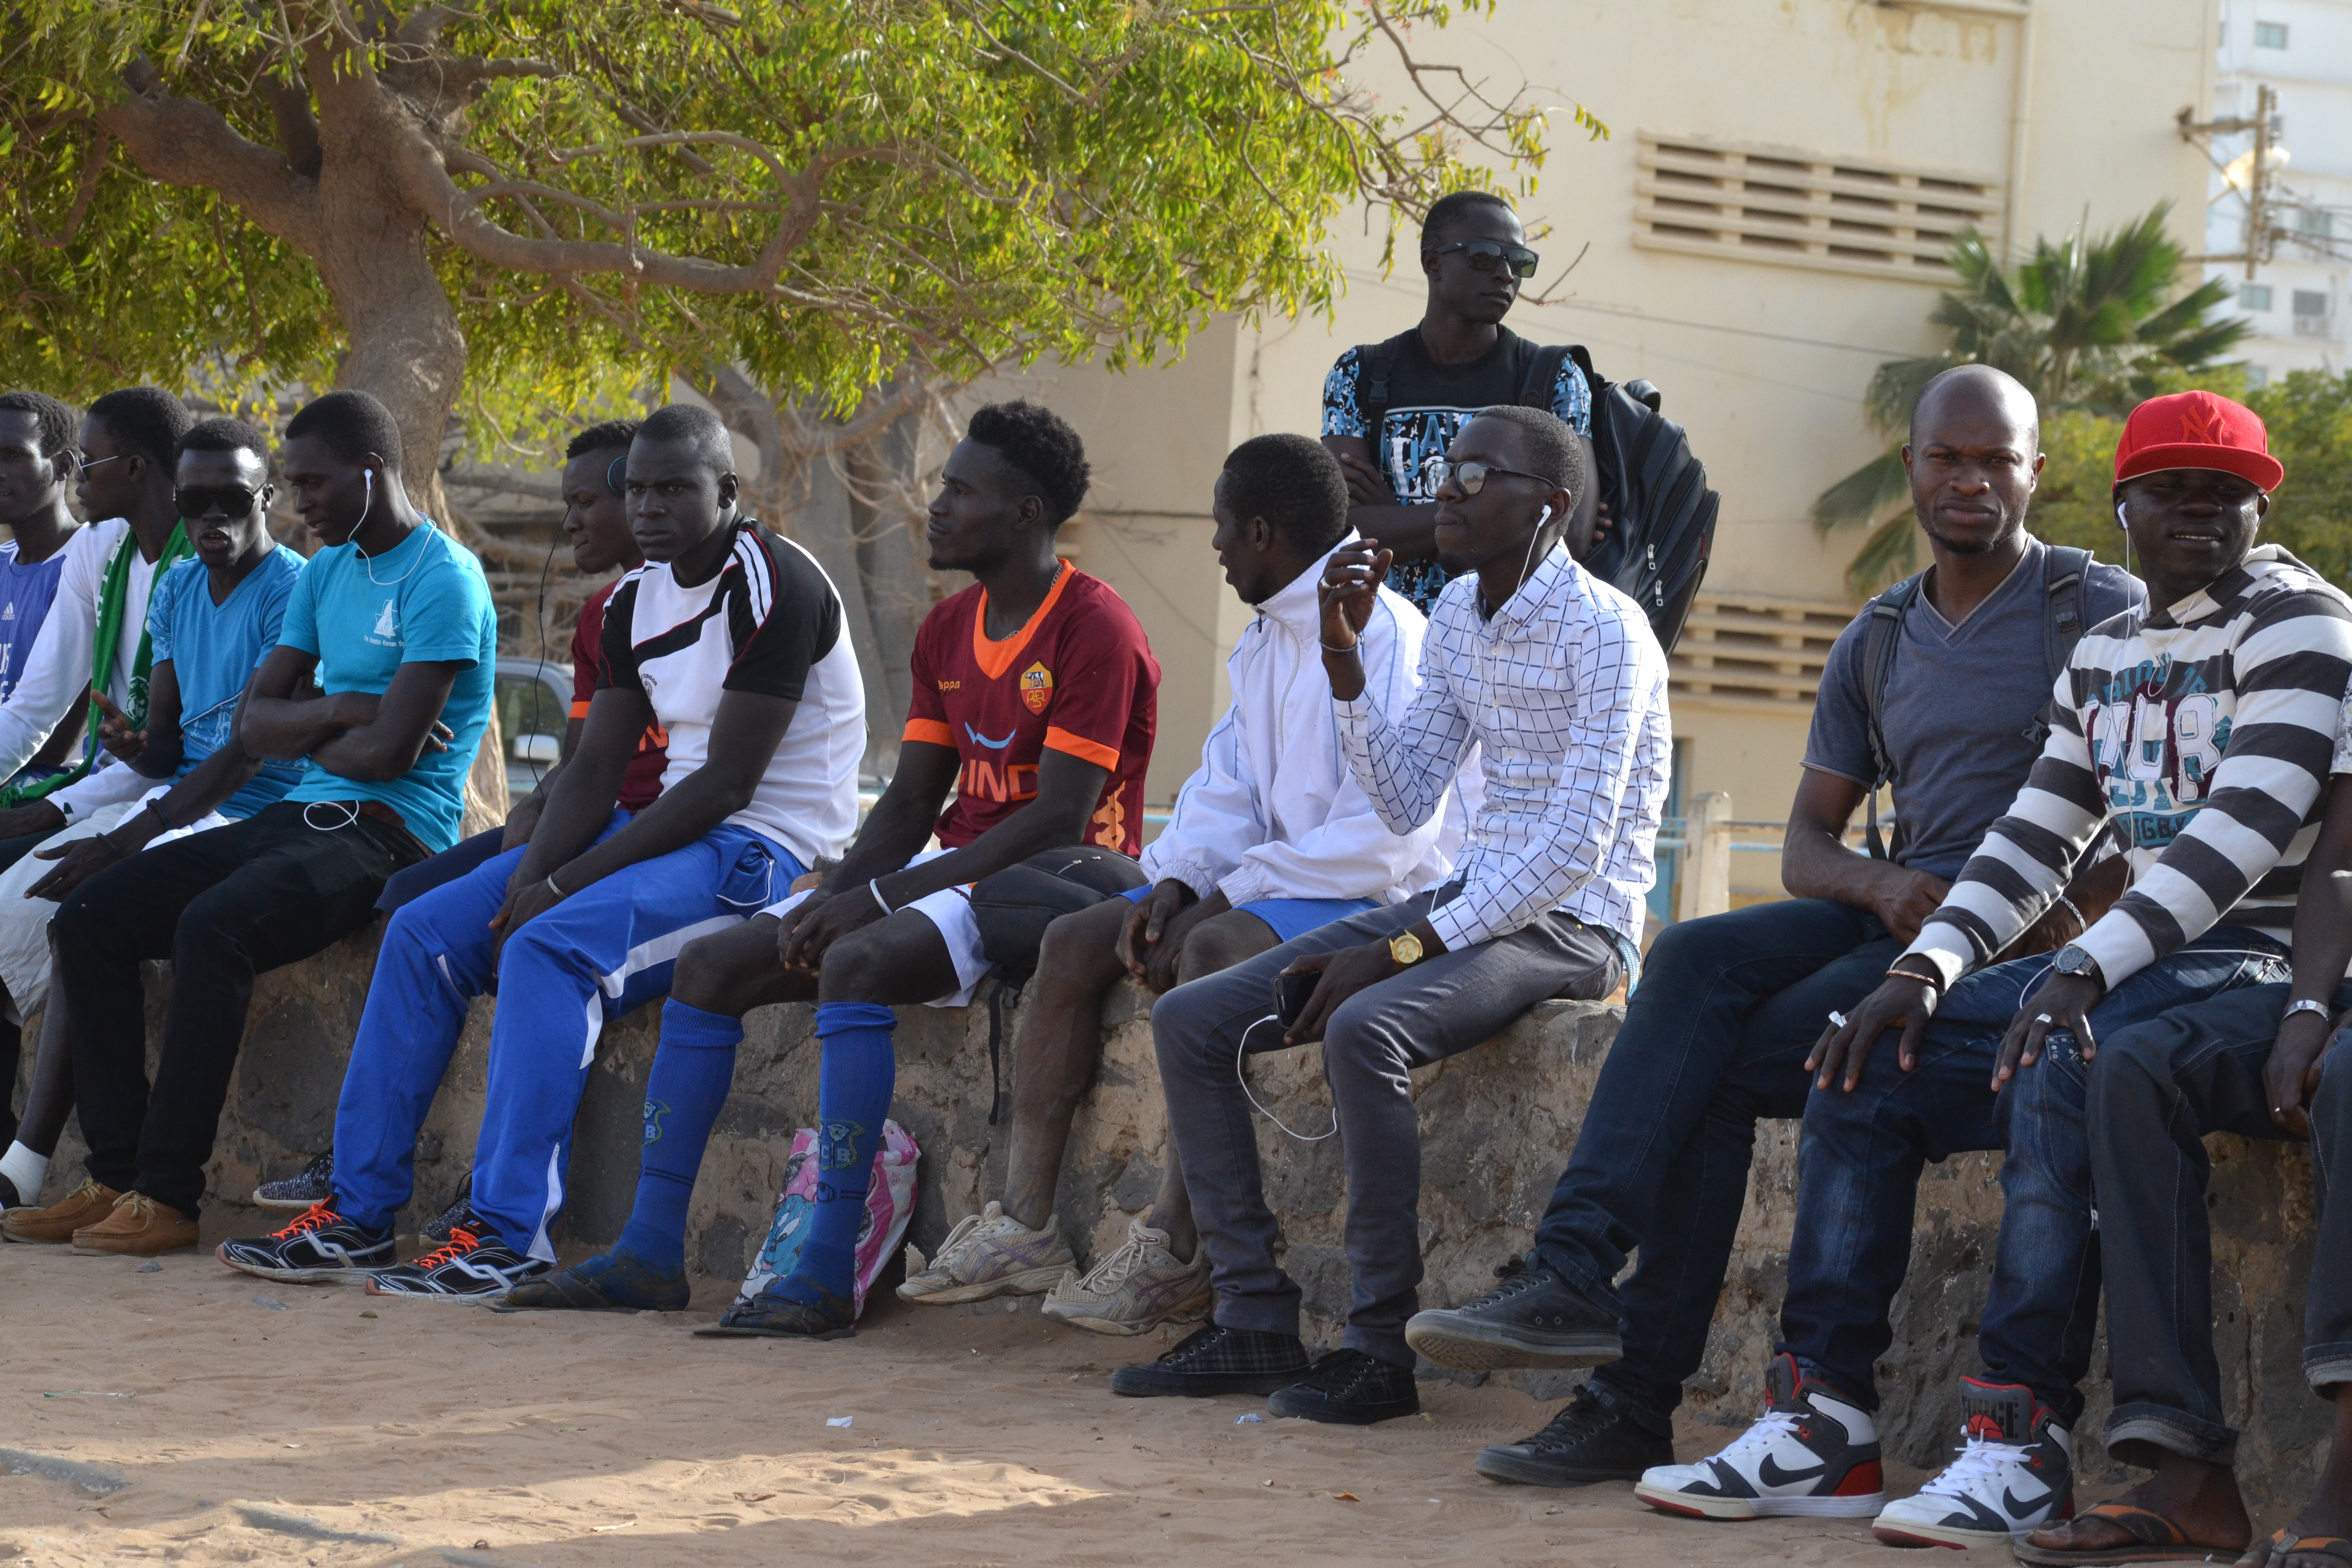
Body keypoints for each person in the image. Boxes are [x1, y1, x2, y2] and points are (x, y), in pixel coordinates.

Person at [1627, 390, 2348, 1545]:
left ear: (2261, 508)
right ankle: (1822, 1419)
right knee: (1867, 1056)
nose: (2200, 511)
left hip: (2251, 962)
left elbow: (2239, 836)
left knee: (2061, 1049)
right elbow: (2031, 835)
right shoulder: (2105, 651)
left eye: (2227, 493)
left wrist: (2081, 971)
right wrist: (1922, 968)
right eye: (2171, 488)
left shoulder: (2299, 623)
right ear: (2120, 503)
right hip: (2139, 963)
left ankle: (2017, 1436)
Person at [1402, 365, 2143, 1488]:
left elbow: (2145, 824)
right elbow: (1805, 847)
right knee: (1694, 955)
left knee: (1716, 1073)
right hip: (1904, 916)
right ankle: (1574, 1275)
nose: (1970, 480)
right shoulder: (1879, 636)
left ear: (2036, 472)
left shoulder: (2092, 608)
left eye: (1996, 459)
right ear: (1911, 468)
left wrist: (2053, 930)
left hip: (2023, 945)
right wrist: (1880, 888)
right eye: (1947, 458)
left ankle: (1632, 1394)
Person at [495, 399, 1155, 1330]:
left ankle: (823, 1272)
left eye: (959, 491)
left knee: (855, 959)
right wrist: (841, 885)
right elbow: (910, 803)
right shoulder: (947, 627)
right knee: (710, 967)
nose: (935, 505)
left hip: (1058, 878)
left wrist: (878, 898)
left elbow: (1058, 818)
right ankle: (647, 1252)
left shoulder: (1095, 625)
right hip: (954, 870)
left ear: (1025, 514)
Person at [216, 402, 865, 1297]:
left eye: (674, 489)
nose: (648, 507)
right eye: (637, 489)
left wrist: (559, 888)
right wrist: (525, 879)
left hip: (759, 852)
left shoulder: (771, 580)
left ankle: (505, 1233)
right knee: (426, 931)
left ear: (727, 491)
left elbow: (725, 786)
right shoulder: (634, 601)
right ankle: (359, 1214)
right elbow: (594, 768)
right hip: (666, 831)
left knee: (550, 946)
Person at [1114, 403, 1667, 1426]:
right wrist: (1343, 659)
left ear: (1547, 506)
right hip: (1471, 899)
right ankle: (1251, 1315)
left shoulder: (1608, 630)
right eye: (1447, 470)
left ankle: (1378, 1348)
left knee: (1365, 1026)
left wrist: (1401, 948)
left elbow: (1572, 853)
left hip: (1573, 923)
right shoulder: (1456, 612)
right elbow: (1409, 797)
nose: (1445, 491)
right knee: (1191, 1018)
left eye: (1476, 477)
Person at [893, 432, 1449, 1331]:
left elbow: (1381, 841)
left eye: (1224, 527)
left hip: (1371, 893)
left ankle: (1173, 1249)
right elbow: (1225, 789)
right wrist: (1180, 881)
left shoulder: (1388, 637)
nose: (1216, 545)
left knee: (1214, 953)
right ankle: (1024, 1227)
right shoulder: (1267, 638)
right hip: (1276, 882)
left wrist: (1223, 899)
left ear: (1263, 533)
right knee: (1075, 941)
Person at [26, 388, 498, 1257]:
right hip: (295, 813)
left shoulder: (444, 579)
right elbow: (253, 726)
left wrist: (314, 721)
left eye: (314, 483)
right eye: (296, 482)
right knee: (90, 915)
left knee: (214, 927)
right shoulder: (326, 571)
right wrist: (348, 706)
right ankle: (115, 1177)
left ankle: (167, 1197)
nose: (301, 501)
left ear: (371, 471)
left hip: (387, 832)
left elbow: (389, 757)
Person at [246, 420, 664, 1217]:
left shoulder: (707, 601)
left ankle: (496, 1185)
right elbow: (582, 765)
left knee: (527, 943)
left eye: (585, 502)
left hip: (643, 836)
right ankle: (359, 1172)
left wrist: (541, 865)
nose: (569, 521)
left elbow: (390, 752)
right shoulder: (601, 616)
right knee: (406, 906)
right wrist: (531, 817)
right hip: (584, 818)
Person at [0, 418, 304, 1235]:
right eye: (195, 500)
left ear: (266, 498)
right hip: (181, 797)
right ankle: (110, 1177)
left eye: (232, 498)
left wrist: (127, 838)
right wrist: (138, 744)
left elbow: (246, 753)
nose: (212, 516)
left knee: (94, 908)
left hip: (254, 808)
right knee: (60, 911)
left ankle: (119, 1181)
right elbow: (171, 744)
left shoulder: (293, 589)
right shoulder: (177, 588)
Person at [0, 386, 194, 1208]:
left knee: (65, 907)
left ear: (136, 467)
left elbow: (183, 752)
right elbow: (35, 706)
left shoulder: (198, 562)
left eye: (88, 460)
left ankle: (27, 1163)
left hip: (179, 795)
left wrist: (53, 809)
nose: (78, 475)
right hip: (113, 786)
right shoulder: (102, 551)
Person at [1320, 190, 1592, 617]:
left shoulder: (1553, 377)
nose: (1505, 275)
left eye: (1519, 261)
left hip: (1505, 636)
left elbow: (1570, 537)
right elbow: (1344, 531)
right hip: (1384, 633)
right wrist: (1498, 517)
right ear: (1433, 262)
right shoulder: (1360, 374)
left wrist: (1396, 514)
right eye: (1485, 256)